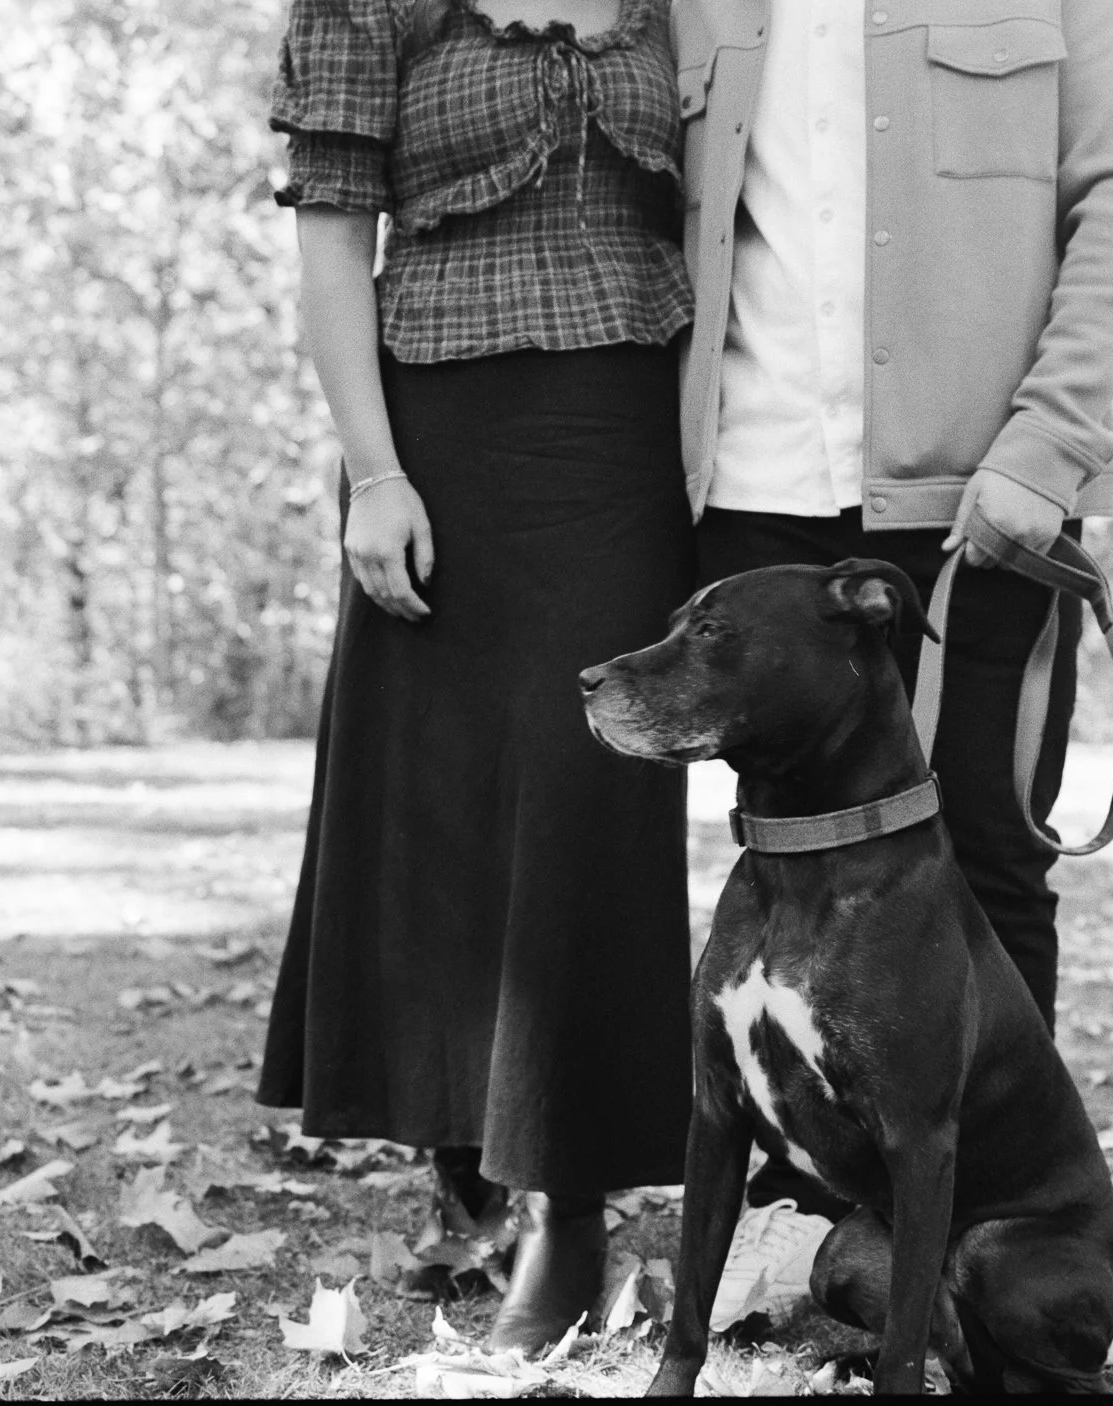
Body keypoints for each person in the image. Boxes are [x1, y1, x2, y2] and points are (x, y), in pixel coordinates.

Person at [668, 0, 1113, 1327]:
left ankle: (1002, 1265)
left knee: (987, 875)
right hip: (756, 490)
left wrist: (1049, 440)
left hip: (982, 495)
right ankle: (830, 1258)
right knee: (783, 895)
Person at [254, 0, 697, 1354]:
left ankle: (571, 1207)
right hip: (437, 439)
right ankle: (468, 1154)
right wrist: (375, 474)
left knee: (588, 803)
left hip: (626, 440)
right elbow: (334, 242)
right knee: (441, 818)